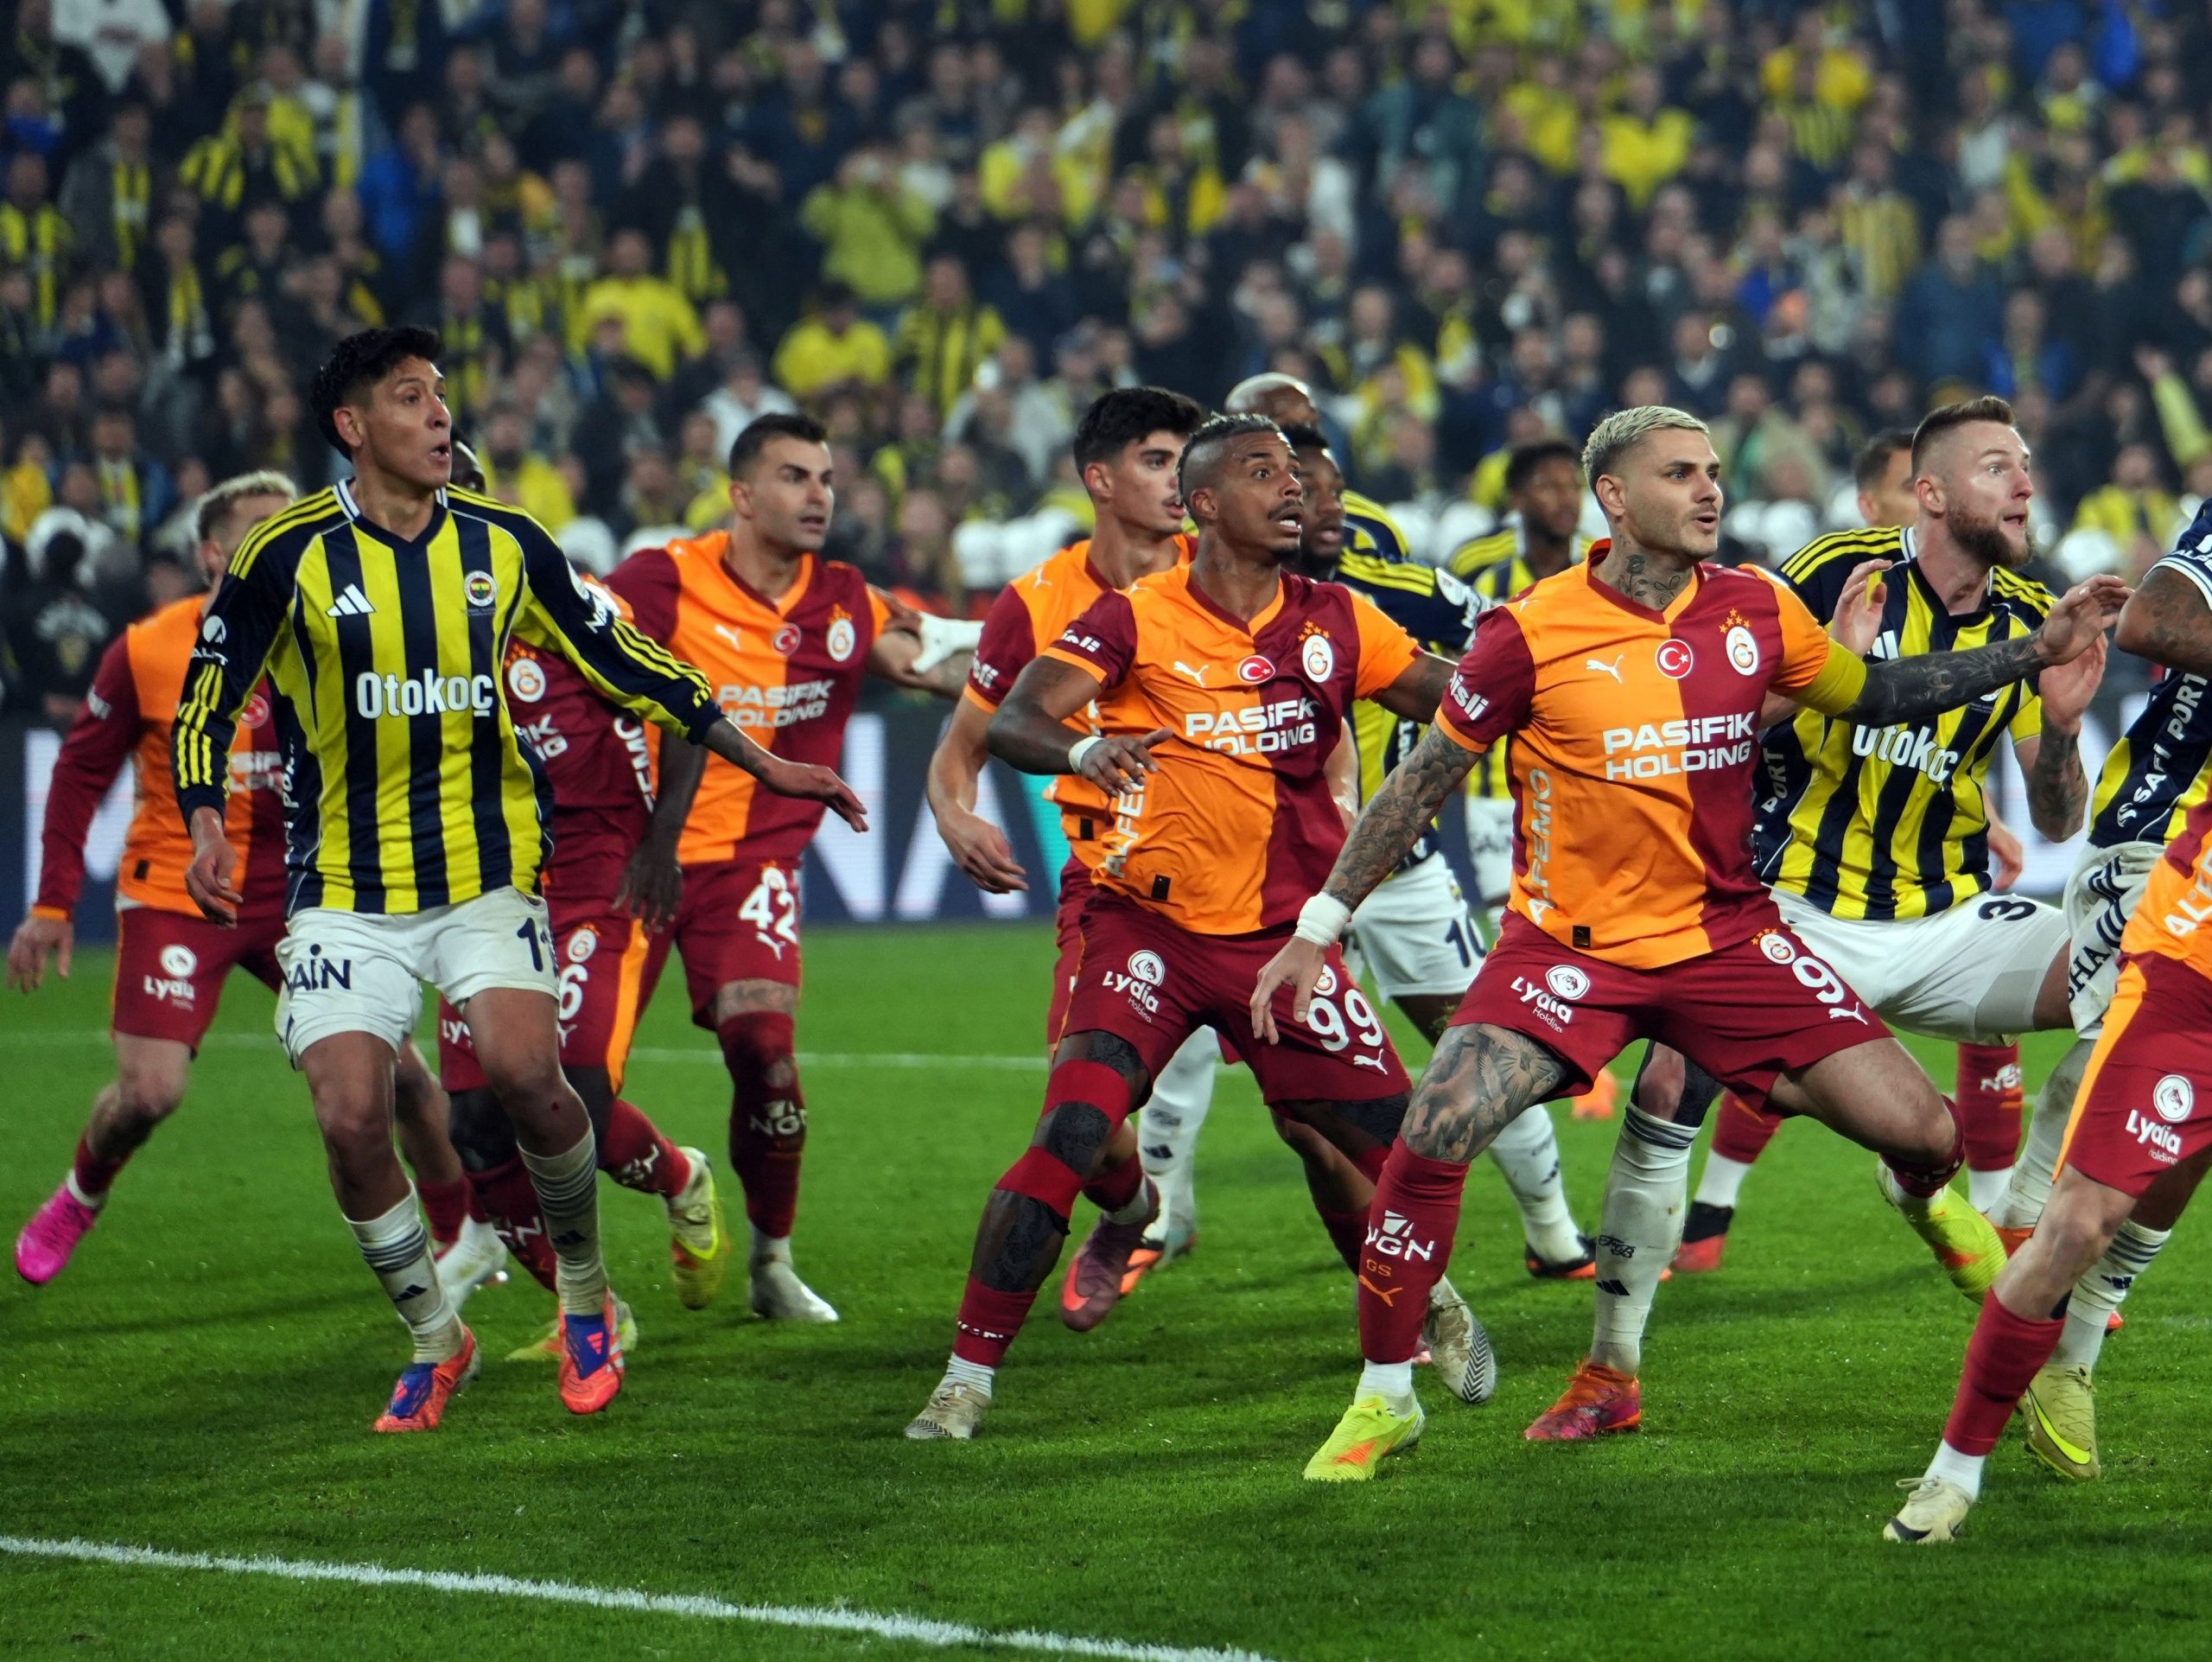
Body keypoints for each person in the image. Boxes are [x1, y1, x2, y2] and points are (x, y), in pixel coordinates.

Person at [1252, 404, 2126, 1481]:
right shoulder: (1532, 628)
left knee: (1932, 1134)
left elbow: (1878, 694)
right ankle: (1394, 1395)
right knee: (1437, 1129)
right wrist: (1319, 927)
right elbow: (1420, 779)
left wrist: (2036, 660)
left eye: (1712, 470)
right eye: (1680, 474)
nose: (1710, 489)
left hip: (1730, 938)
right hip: (1576, 948)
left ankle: (1928, 1179)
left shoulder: (1753, 603)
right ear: (1614, 497)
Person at [169, 328, 863, 1434]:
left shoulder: (508, 544)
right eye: (411, 397)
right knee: (350, 1119)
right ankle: (436, 1342)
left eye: (441, 394)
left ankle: (586, 1302)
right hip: (343, 888)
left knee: (533, 1082)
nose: (440, 413)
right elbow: (206, 697)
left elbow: (636, 664)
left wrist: (763, 759)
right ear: (353, 427)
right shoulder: (282, 555)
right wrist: (206, 817)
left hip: (488, 878)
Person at [906, 413, 1492, 1443]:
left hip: (1283, 943)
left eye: (1297, 473)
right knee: (1072, 1131)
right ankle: (964, 1381)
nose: (1293, 488)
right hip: (1147, 927)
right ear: (1206, 504)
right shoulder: (1135, 617)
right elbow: (1018, 720)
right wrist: (1081, 754)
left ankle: (1428, 1302)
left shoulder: (1339, 618)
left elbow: (1450, 695)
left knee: (1402, 1157)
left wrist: (1548, 679)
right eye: (1265, 473)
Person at [10, 470, 501, 1300]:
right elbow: (79, 772)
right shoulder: (146, 649)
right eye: (263, 529)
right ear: (212, 553)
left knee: (405, 1079)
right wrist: (54, 901)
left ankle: (459, 1234)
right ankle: (80, 1195)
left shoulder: (337, 633)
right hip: (179, 890)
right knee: (150, 1093)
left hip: (303, 893)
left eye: (297, 525)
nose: (292, 542)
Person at [607, 412, 972, 1324]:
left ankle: (772, 1262)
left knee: (767, 1058)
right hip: (635, 859)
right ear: (740, 494)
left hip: (752, 868)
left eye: (827, 478)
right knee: (569, 1089)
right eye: (795, 476)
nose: (819, 495)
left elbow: (942, 664)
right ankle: (643, 1209)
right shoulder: (659, 581)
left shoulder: (845, 599)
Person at [1676, 415, 2062, 1272]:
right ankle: (1679, 1249)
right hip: (1801, 900)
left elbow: (2055, 814)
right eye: (1997, 468)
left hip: (1947, 913)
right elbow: (1720, 717)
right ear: (1925, 494)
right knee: (1679, 1074)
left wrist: (2059, 736)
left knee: (2135, 976)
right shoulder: (1827, 572)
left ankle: (2019, 1219)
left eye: (2025, 467)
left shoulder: (2030, 616)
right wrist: (1832, 672)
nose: (2024, 486)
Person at [925, 385, 1224, 1312]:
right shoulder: (1035, 602)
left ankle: (1408, 1327)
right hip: (1118, 889)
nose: (1179, 482)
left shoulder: (1227, 571)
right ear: (1099, 479)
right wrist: (952, 814)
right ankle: (1131, 1211)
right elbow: (963, 746)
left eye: (1186, 462)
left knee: (1322, 1131)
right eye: (1157, 461)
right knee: (1085, 1120)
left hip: (1257, 886)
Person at [429, 439, 728, 1360]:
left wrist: (661, 842)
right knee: (474, 1123)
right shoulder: (392, 633)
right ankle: (589, 1307)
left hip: (597, 875)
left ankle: (679, 1177)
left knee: (576, 1100)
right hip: (478, 887)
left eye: (456, 499)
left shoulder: (570, 603)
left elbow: (686, 707)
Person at [1285, 423, 1592, 1277]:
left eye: (1334, 487)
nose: (1328, 505)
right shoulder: (1200, 605)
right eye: (1303, 488)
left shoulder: (1389, 588)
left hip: (1398, 868)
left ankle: (1553, 1234)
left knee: (1483, 1054)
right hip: (1271, 884)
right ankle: (1157, 1217)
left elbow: (1509, 641)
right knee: (1300, 1104)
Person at [1883, 791, 2212, 1544]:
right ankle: (1953, 1475)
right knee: (2076, 1228)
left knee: (2174, 1173)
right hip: (2191, 983)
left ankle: (2068, 1347)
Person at [1974, 498, 2212, 1481]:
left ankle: (2056, 1323)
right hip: (2162, 829)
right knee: (2120, 1063)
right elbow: (2153, 620)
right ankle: (2035, 1307)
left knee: (2191, 1131)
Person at [1223, 373, 1414, 564]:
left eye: (1311, 424)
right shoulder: (1211, 531)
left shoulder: (1371, 528)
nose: (1305, 436)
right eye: (1286, 428)